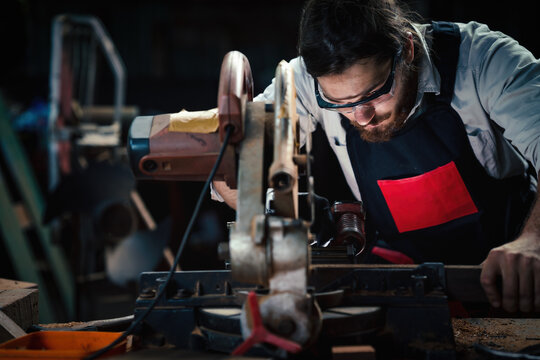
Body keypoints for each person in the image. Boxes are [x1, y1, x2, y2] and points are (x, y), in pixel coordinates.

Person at [212, 0, 540, 313]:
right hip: (404, 283)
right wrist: (252, 186)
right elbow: (237, 162)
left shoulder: (485, 61)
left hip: (514, 281)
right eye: (339, 103)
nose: (361, 116)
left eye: (374, 94)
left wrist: (533, 240)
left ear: (407, 49)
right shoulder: (302, 82)